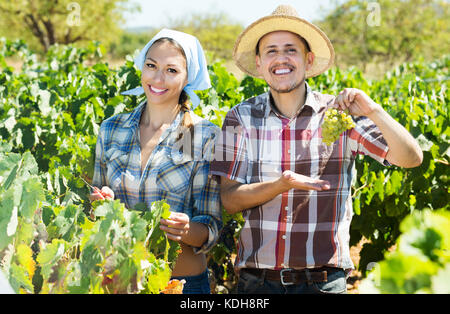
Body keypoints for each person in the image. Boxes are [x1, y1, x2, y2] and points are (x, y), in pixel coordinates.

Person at [210, 5, 423, 294]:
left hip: (323, 283)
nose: (281, 59)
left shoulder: (338, 114)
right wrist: (280, 185)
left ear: (308, 60)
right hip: (256, 284)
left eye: (290, 50)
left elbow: (411, 158)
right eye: (271, 51)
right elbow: (229, 200)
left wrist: (374, 111)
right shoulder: (238, 117)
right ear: (259, 63)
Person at [91, 29, 222, 294]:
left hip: (180, 286)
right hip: (119, 282)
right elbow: (94, 213)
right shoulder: (111, 129)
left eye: (172, 70)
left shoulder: (201, 136)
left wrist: (185, 229)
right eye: (151, 66)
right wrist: (99, 204)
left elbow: (211, 228)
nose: (158, 78)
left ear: (188, 78)